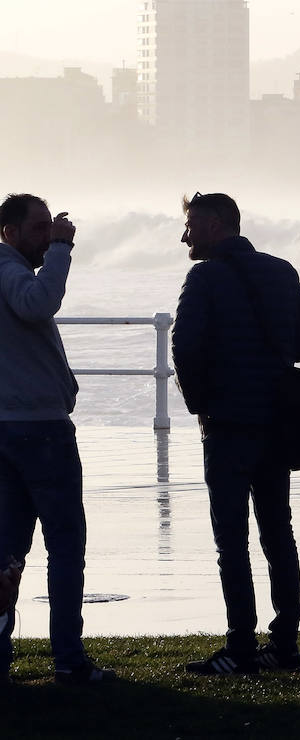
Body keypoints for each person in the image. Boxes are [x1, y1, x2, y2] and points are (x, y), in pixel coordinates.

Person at [172, 193, 300, 675]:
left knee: (231, 539)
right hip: (276, 421)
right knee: (279, 532)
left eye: (190, 225)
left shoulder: (204, 277)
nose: (185, 236)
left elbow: (184, 349)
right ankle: (286, 644)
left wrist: (201, 407)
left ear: (214, 226)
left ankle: (240, 647)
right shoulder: (282, 270)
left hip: (229, 425)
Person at [0, 194, 114, 685]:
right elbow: (37, 304)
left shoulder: (9, 266)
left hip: (11, 426)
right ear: (10, 231)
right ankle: (69, 659)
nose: (48, 235)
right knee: (66, 544)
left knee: (7, 549)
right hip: (38, 428)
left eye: (52, 227)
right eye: (39, 228)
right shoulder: (9, 270)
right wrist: (65, 250)